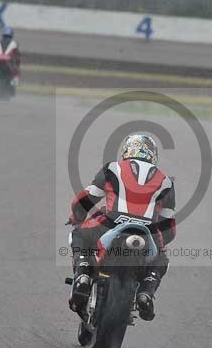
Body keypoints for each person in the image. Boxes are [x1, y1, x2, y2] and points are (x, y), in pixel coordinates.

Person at [68, 134, 176, 321]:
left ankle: (84, 273)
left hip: (111, 224)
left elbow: (84, 200)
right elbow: (169, 227)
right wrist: (160, 242)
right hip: (147, 233)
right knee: (161, 257)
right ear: (153, 155)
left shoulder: (112, 168)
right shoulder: (166, 181)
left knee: (78, 234)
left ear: (127, 150)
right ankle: (146, 292)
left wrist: (77, 217)